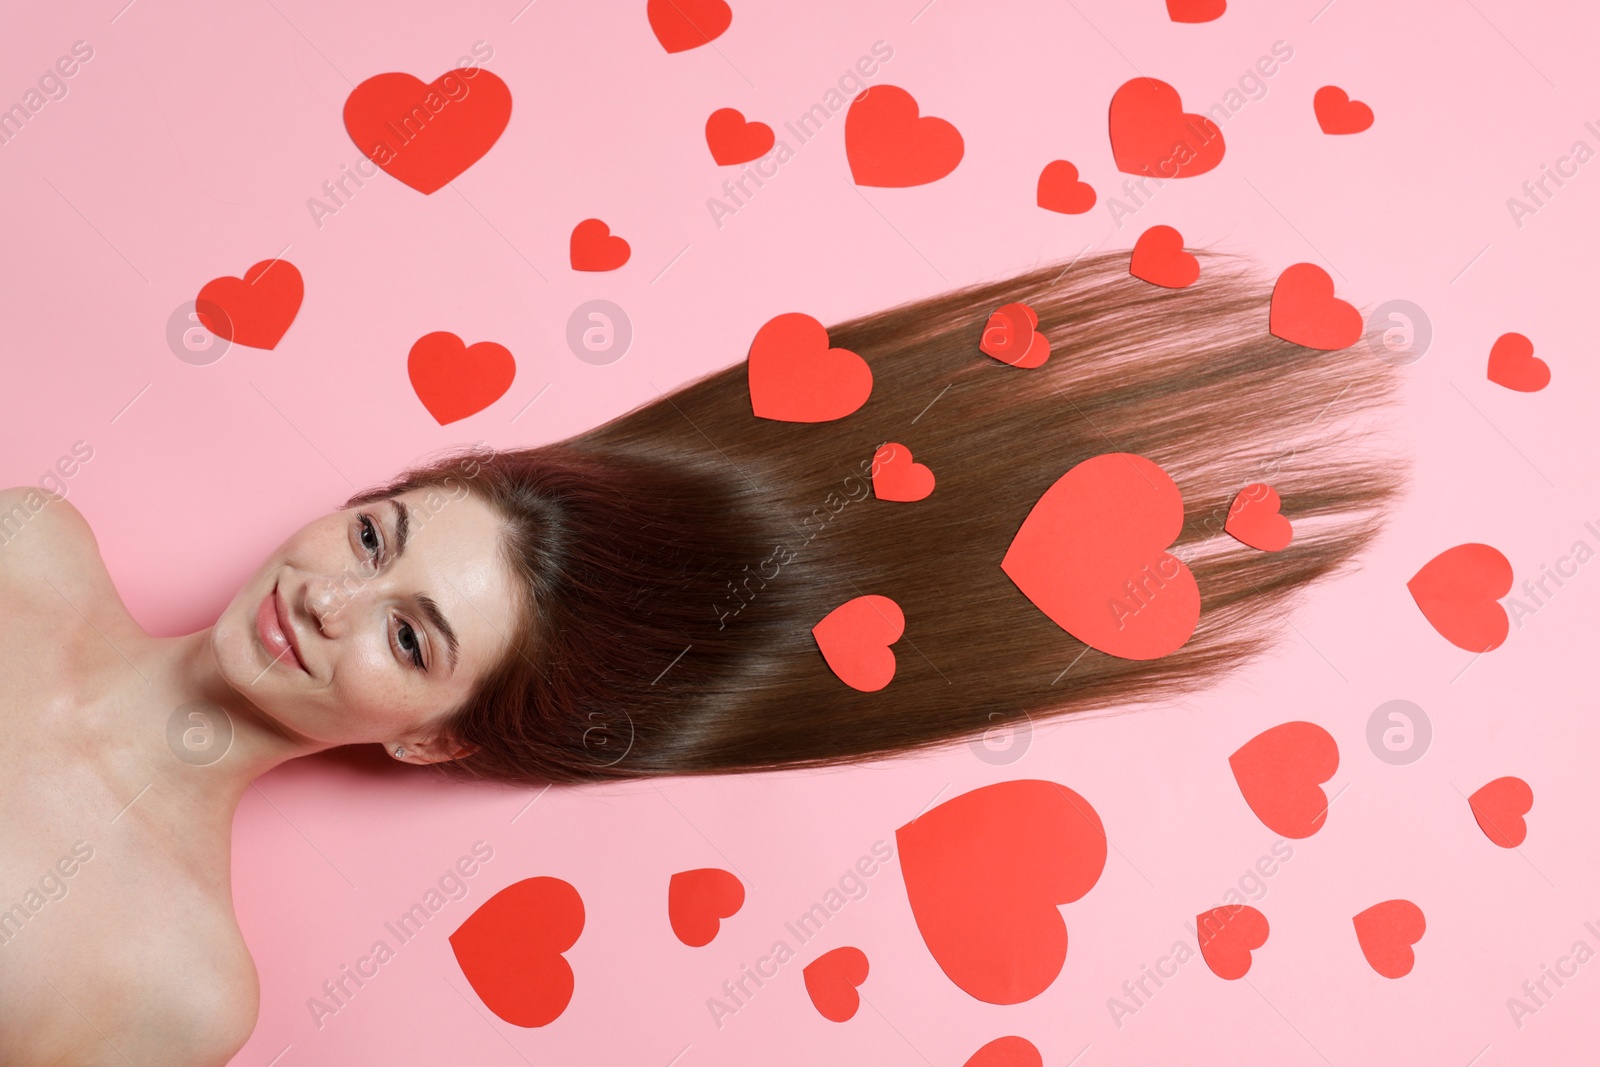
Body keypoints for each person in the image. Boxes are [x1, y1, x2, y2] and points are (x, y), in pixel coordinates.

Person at [0, 249, 1404, 1063]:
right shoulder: (30, 554)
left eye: (412, 635)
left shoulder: (179, 987)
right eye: (375, 542)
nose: (330, 601)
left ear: (431, 737)